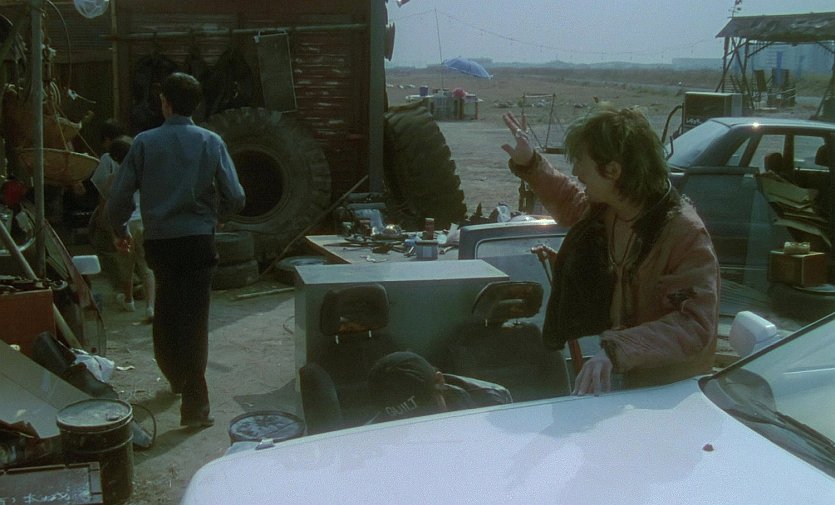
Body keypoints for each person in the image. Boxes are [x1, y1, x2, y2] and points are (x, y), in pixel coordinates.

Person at [500, 106, 719, 396]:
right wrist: (531, 163)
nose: (576, 172)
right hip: (627, 378)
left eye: (581, 162)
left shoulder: (684, 233)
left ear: (613, 171)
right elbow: (570, 201)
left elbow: (694, 324)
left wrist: (617, 350)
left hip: (670, 392)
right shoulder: (611, 211)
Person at [106, 72, 246, 429]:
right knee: (195, 319)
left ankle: (175, 377)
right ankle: (195, 406)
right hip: (198, 241)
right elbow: (236, 195)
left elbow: (119, 197)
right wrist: (218, 218)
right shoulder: (211, 141)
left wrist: (120, 230)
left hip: (161, 243)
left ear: (165, 103)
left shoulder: (144, 142)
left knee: (167, 311)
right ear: (195, 105)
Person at [367, 351, 512, 423]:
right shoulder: (371, 434)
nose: (421, 432)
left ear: (440, 381)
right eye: (405, 424)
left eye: (426, 414)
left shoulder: (492, 402)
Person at [107, 135, 155, 322]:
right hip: (144, 222)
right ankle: (150, 306)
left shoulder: (114, 178)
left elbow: (112, 206)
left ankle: (128, 300)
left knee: (126, 264)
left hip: (124, 223)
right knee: (146, 266)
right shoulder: (146, 174)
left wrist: (114, 231)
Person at [87, 119, 135, 308]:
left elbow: (102, 191)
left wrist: (101, 215)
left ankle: (123, 287)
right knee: (133, 253)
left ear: (107, 140)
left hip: (114, 210)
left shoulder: (108, 158)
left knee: (106, 247)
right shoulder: (135, 153)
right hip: (136, 213)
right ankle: (133, 287)